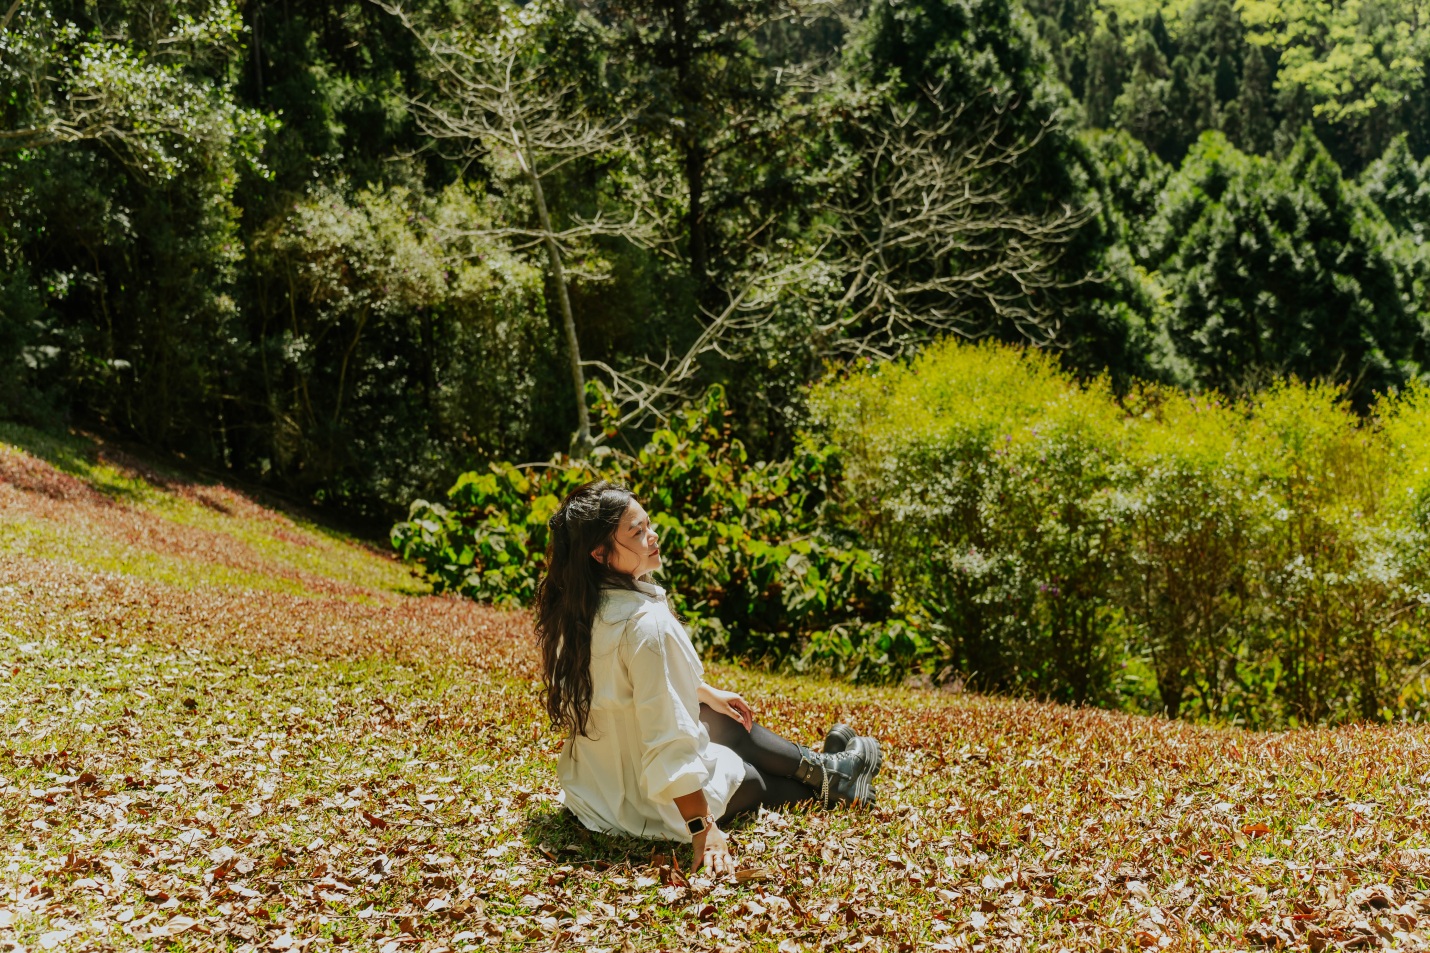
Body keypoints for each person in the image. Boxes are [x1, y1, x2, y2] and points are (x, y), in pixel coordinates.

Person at [536, 480, 882, 875]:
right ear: (600, 553)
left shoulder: (572, 608)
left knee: (723, 718)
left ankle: (830, 769)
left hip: (598, 794)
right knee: (747, 774)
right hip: (650, 808)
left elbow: (619, 689)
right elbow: (667, 741)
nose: (652, 537)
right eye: (636, 532)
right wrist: (702, 828)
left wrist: (701, 691)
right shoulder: (645, 625)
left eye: (648, 525)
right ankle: (835, 784)